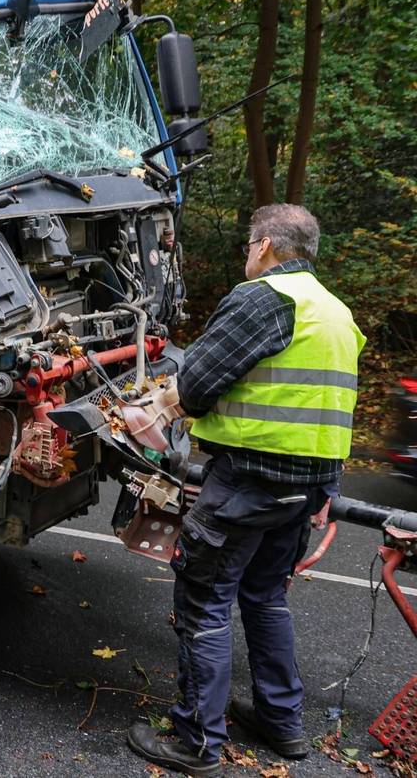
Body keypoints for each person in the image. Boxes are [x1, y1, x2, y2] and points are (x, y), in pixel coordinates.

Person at [125, 204, 365, 776]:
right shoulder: (335, 311)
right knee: (264, 598)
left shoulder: (264, 298)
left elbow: (200, 383)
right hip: (306, 487)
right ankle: (281, 724)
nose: (246, 256)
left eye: (247, 247)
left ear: (263, 247)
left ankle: (196, 744)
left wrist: (163, 405)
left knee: (204, 602)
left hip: (248, 484)